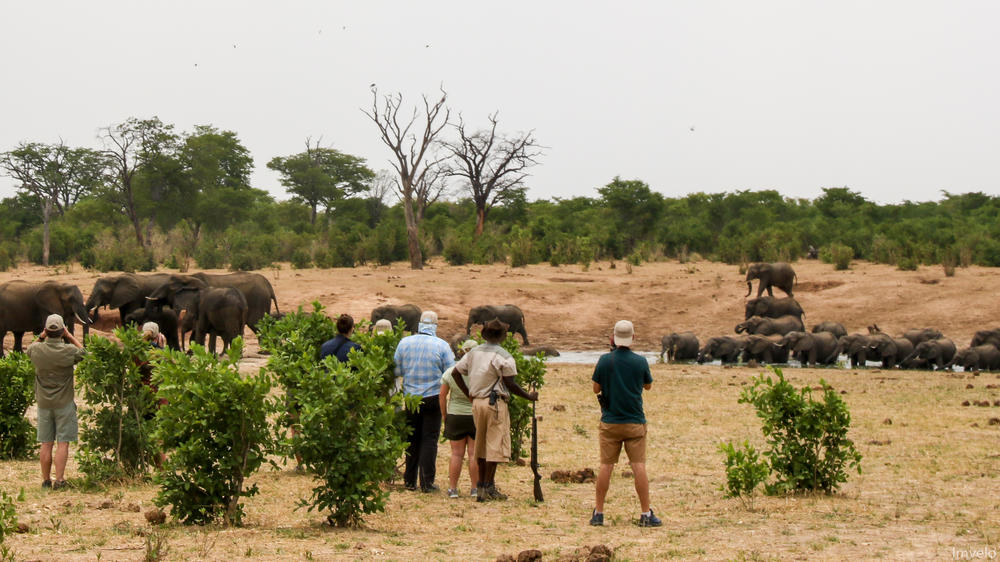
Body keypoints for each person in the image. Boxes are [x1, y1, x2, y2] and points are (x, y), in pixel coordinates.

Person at [453, 318, 538, 502]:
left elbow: (455, 372)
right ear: (502, 336)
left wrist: (469, 393)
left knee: (481, 446)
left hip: (476, 403)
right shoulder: (504, 356)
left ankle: (481, 487)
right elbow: (510, 383)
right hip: (495, 403)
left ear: (484, 334)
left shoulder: (474, 352)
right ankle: (488, 486)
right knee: (494, 446)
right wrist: (529, 397)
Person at [589, 320, 661, 527]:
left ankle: (599, 513)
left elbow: (596, 389)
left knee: (606, 466)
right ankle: (646, 513)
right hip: (635, 422)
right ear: (633, 338)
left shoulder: (604, 360)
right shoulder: (640, 361)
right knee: (639, 466)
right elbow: (648, 386)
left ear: (613, 338)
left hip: (610, 422)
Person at [394, 310, 454, 492]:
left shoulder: (404, 343)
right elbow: (450, 372)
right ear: (435, 326)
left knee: (412, 439)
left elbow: (396, 371)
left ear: (419, 324)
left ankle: (409, 481)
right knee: (429, 440)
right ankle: (427, 483)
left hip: (411, 398)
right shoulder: (442, 345)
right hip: (434, 398)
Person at [26, 314, 86, 490]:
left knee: (46, 443)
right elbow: (85, 353)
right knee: (63, 443)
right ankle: (59, 480)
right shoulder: (68, 351)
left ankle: (46, 480)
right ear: (62, 331)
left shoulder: (37, 350)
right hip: (64, 403)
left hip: (44, 404)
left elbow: (30, 348)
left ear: (46, 331)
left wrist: (41, 336)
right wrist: (70, 336)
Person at [439, 339, 480, 499]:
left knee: (456, 454)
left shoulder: (451, 372)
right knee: (473, 454)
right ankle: (475, 488)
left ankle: (453, 489)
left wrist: (444, 415)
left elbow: (442, 395)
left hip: (455, 415)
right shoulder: (480, 372)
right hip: (475, 415)